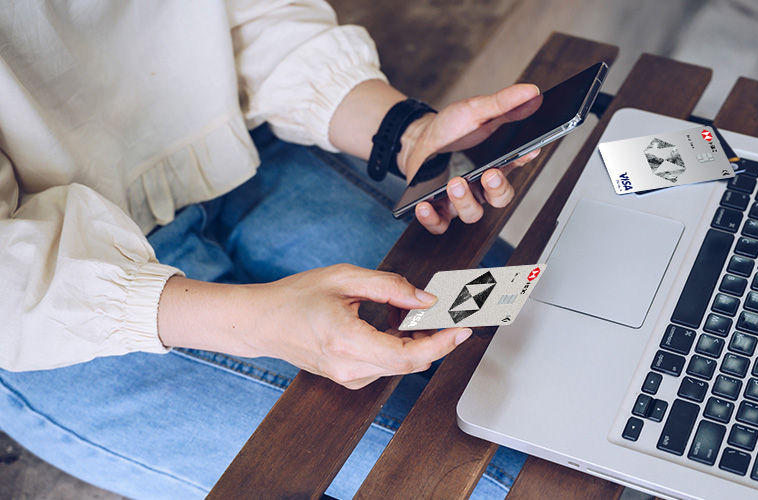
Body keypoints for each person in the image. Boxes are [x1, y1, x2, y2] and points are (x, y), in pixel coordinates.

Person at [0, 1, 538, 498]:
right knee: (500, 480)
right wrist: (259, 323)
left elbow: (248, 14)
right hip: (54, 302)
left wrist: (403, 133)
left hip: (238, 156)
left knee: (546, 324)